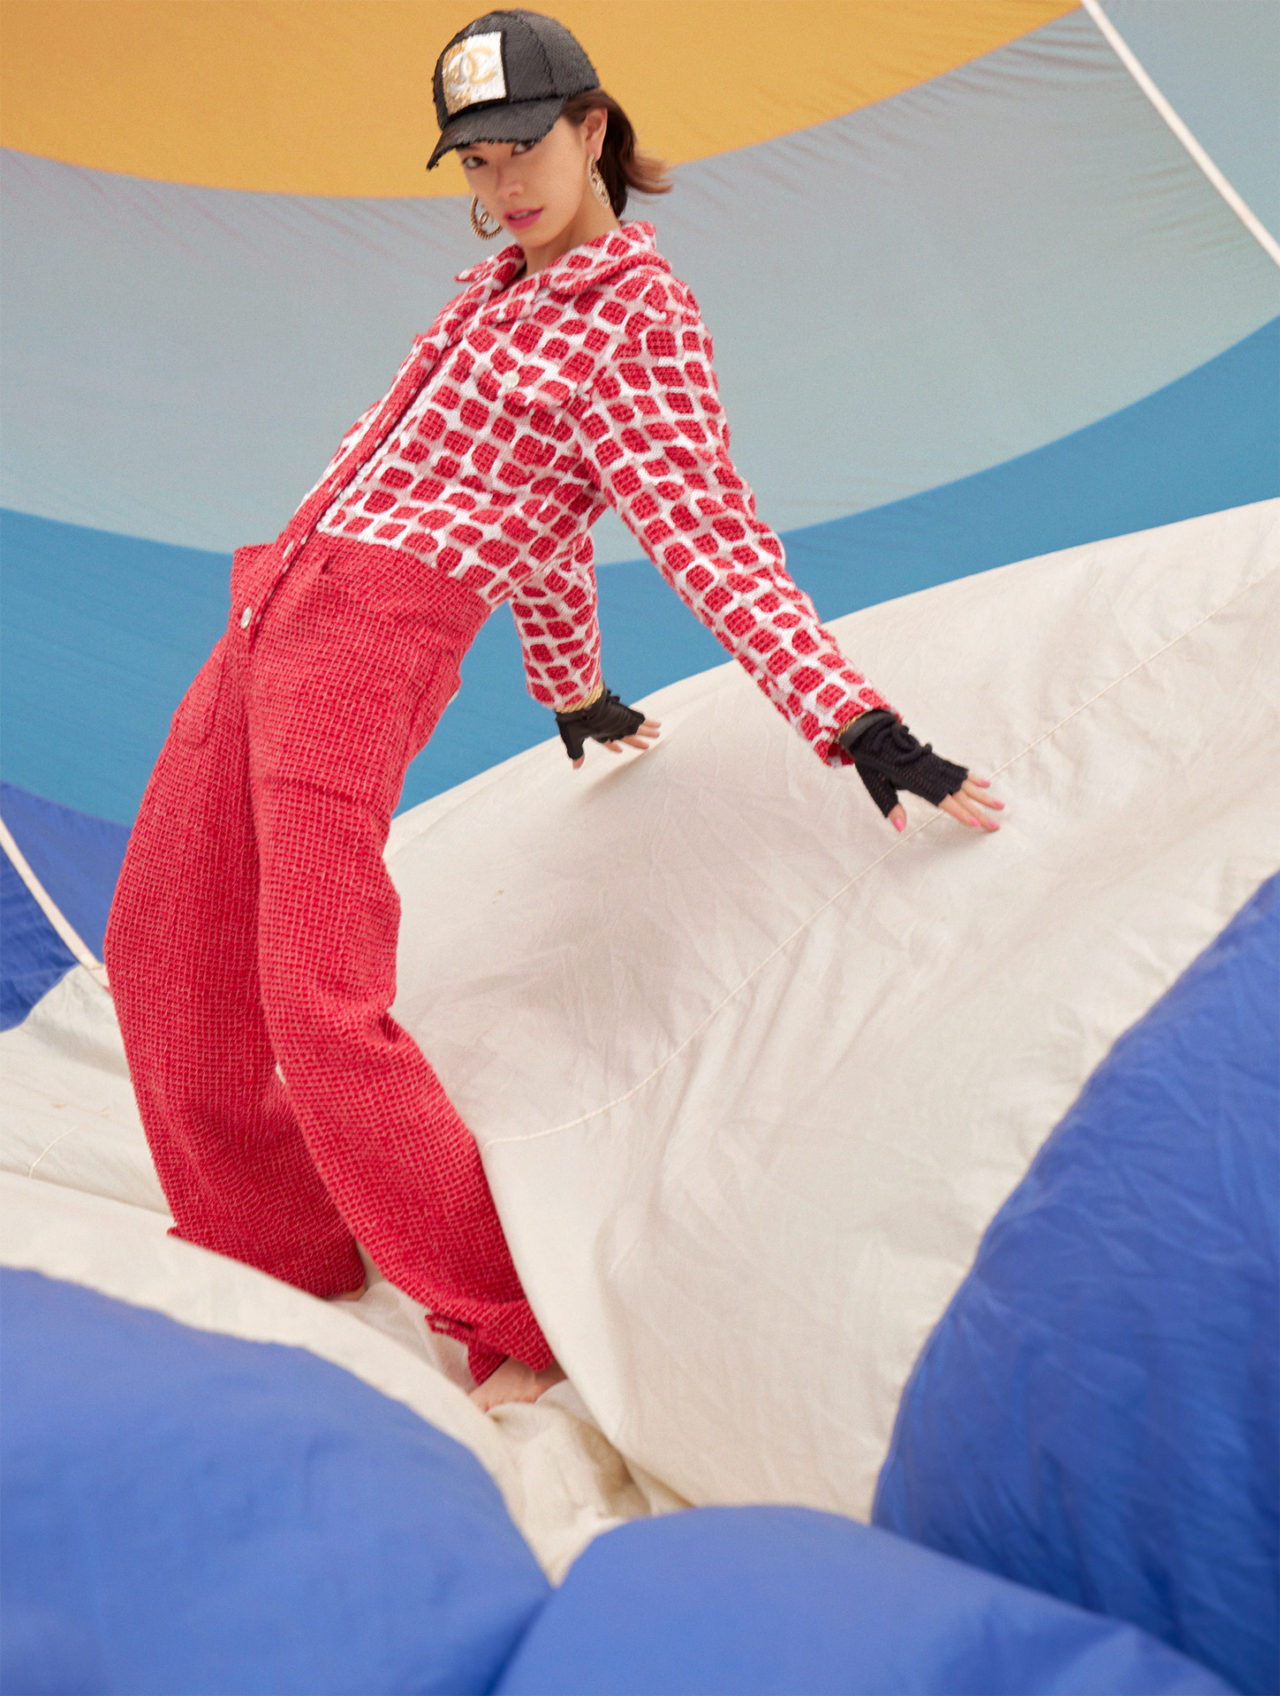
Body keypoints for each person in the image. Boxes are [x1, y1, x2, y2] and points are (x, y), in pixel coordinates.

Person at [103, 7, 1003, 1416]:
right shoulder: (494, 292)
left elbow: (705, 532)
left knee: (316, 996)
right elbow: (542, 518)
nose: (502, 183)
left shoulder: (637, 317)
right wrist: (575, 688)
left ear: (594, 131)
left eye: (525, 148)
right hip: (267, 613)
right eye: (475, 162)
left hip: (361, 648)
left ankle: (509, 1320)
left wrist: (855, 724)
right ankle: (272, 1246)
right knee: (160, 938)